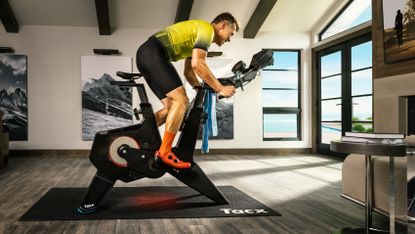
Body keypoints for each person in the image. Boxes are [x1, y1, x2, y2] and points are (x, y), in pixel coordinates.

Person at [136, 12, 239, 169]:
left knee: (171, 107)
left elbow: (189, 72)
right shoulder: (207, 30)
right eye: (230, 34)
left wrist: (199, 89)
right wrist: (220, 88)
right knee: (181, 101)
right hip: (154, 53)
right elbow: (198, 65)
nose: (230, 39)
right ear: (223, 25)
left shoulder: (197, 36)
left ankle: (134, 140)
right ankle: (165, 152)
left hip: (147, 54)